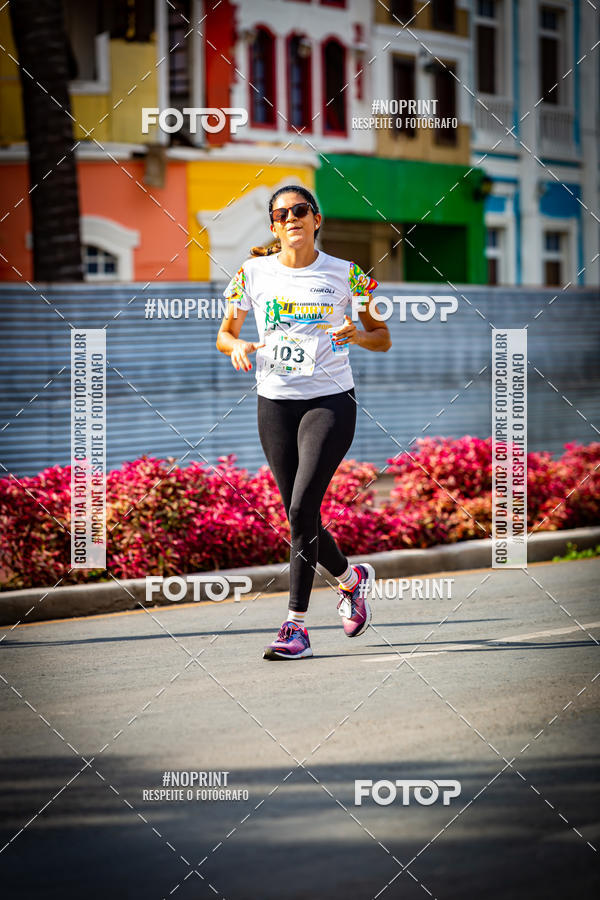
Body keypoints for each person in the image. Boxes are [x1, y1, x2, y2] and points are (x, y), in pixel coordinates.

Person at [216, 185, 391, 660]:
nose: (291, 218)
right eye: (281, 214)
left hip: (330, 403)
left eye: (300, 210)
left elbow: (383, 337)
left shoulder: (348, 275)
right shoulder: (251, 273)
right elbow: (225, 333)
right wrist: (236, 346)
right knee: (301, 515)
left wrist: (357, 334)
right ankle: (351, 580)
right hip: (274, 404)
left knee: (299, 509)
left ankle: (295, 627)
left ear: (316, 219)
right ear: (274, 227)